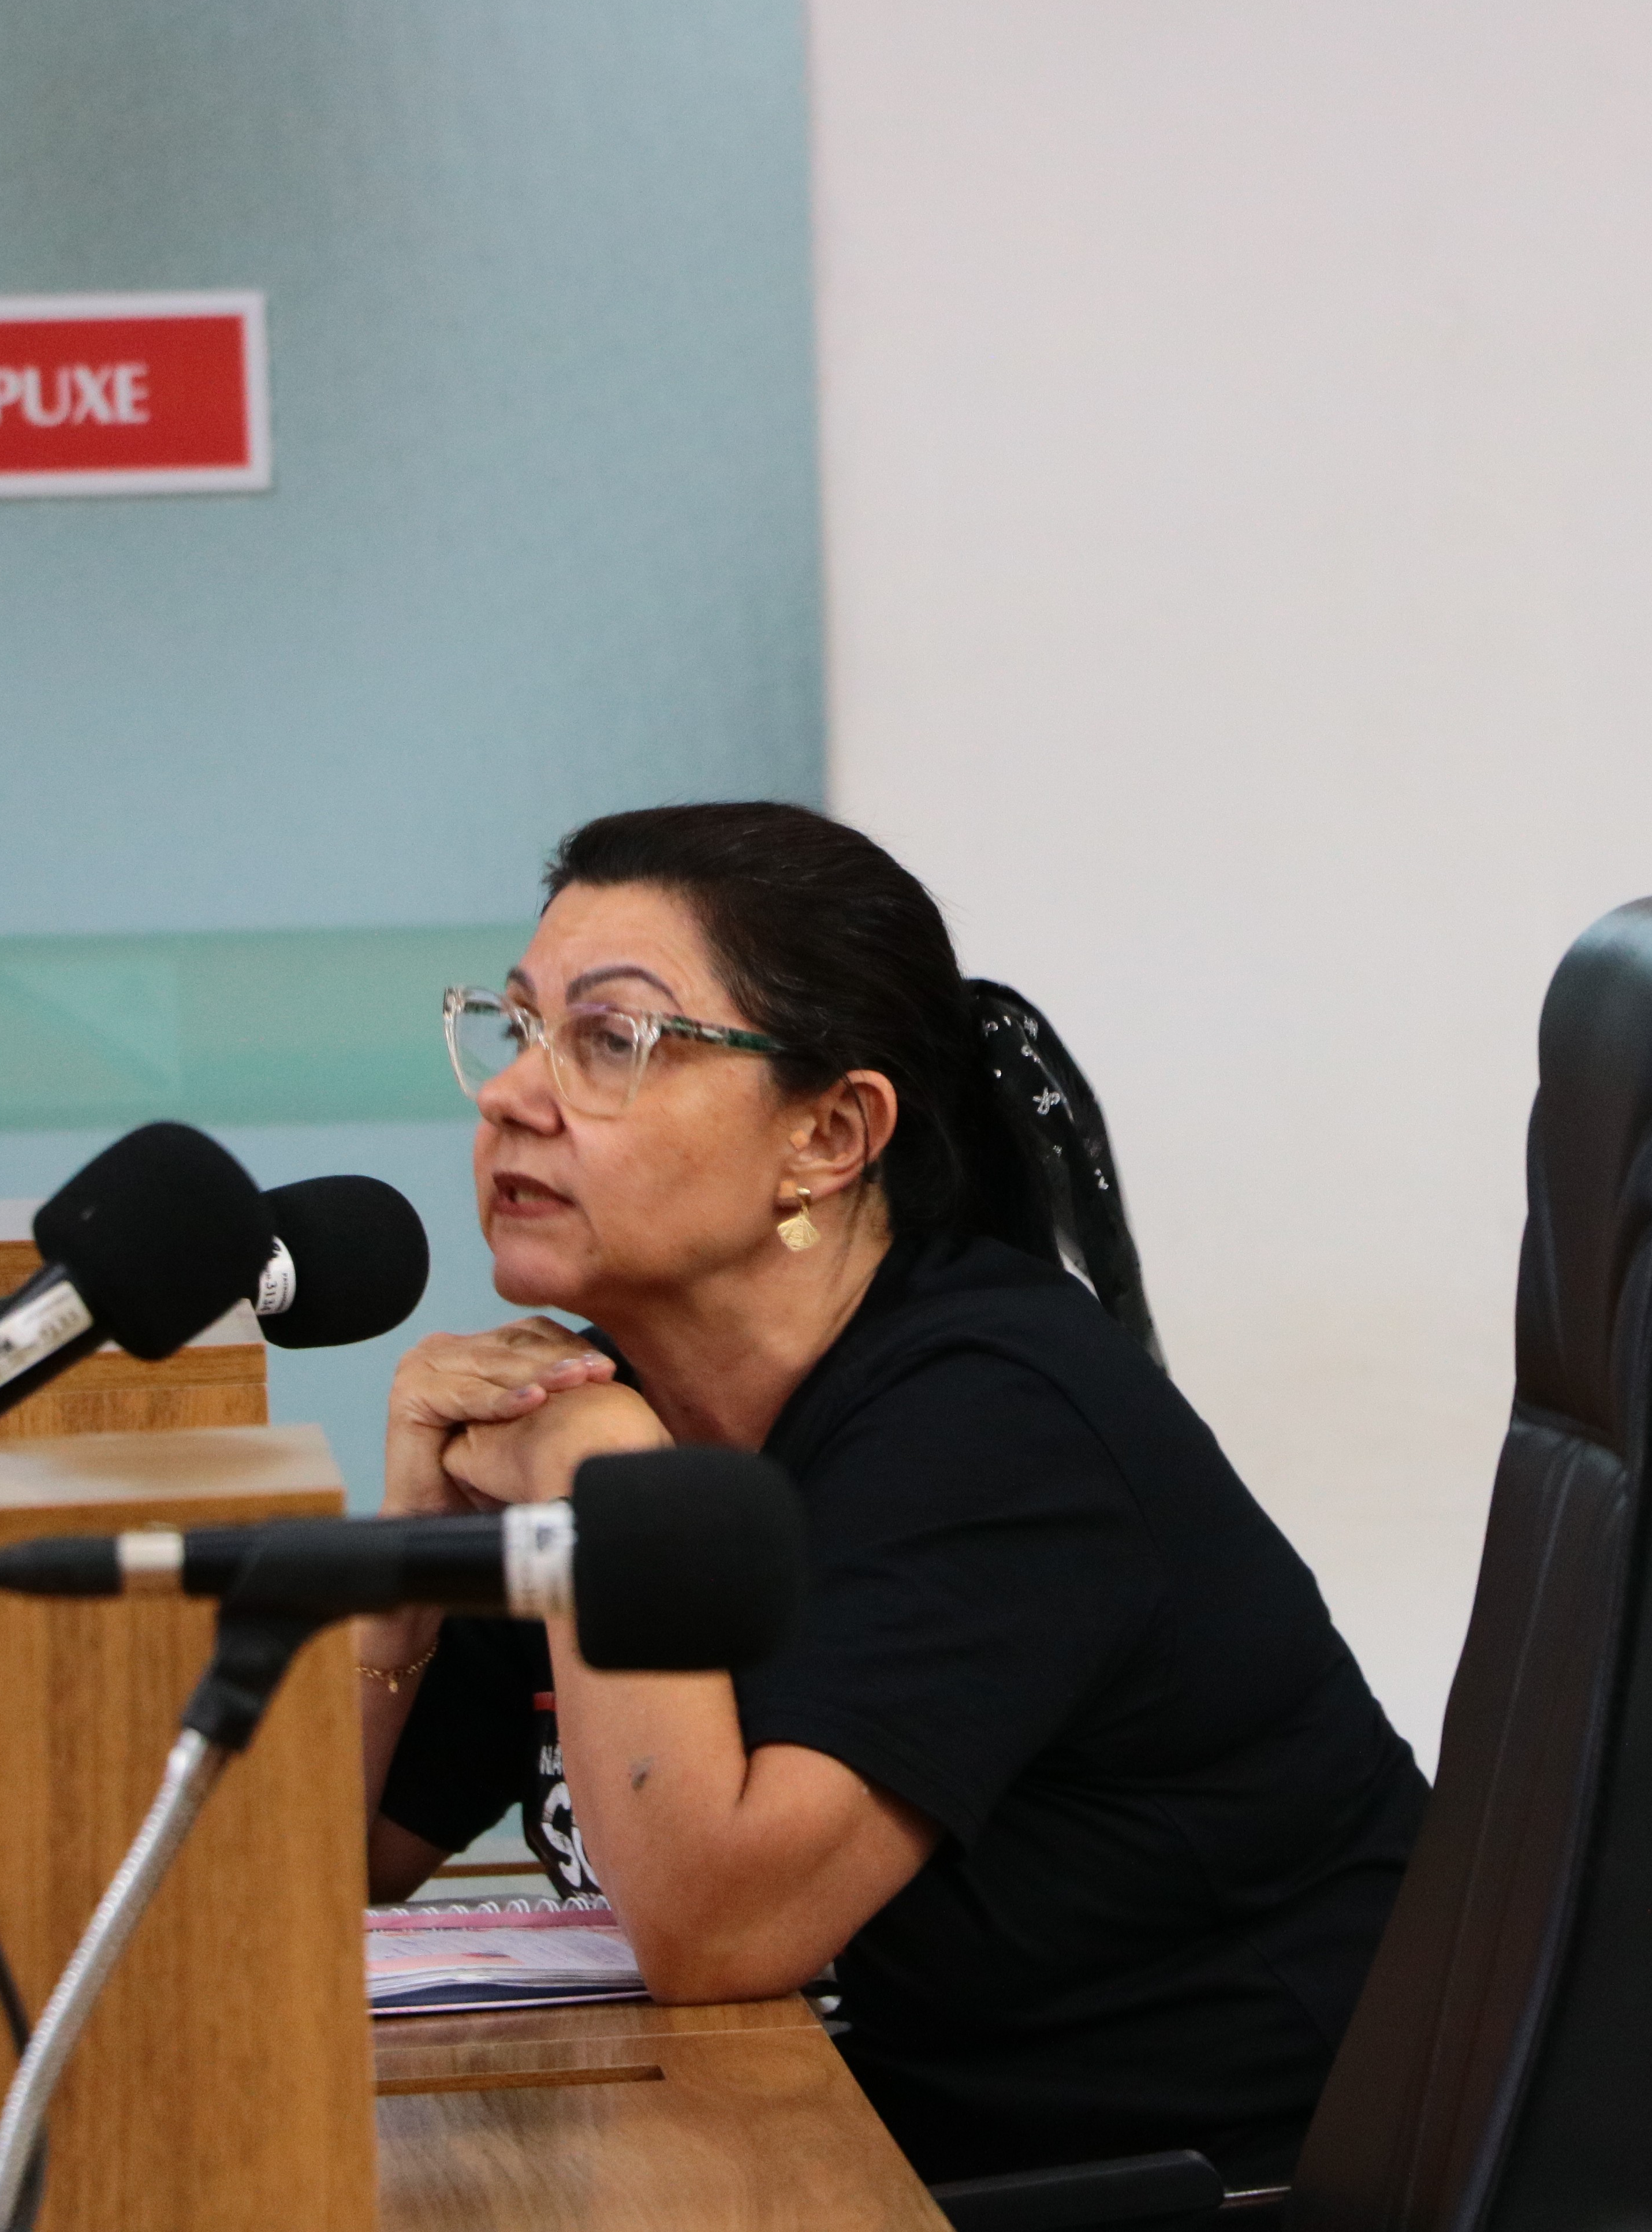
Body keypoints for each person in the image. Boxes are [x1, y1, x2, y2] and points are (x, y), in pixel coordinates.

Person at [356, 802, 1427, 2186]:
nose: (513, 1093)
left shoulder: (997, 1419)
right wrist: (404, 1559)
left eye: (612, 1039)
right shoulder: (608, 1401)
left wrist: (601, 1481)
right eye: (518, 1026)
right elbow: (308, 1876)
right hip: (847, 2158)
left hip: (1221, 2190)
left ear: (829, 1133)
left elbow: (718, 1928)